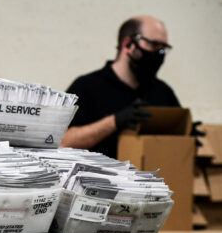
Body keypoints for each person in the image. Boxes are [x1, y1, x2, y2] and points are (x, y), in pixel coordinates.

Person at [61, 15, 180, 158]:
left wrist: (188, 135)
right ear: (128, 45)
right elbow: (62, 141)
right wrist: (115, 122)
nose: (159, 54)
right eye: (153, 45)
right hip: (97, 179)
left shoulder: (163, 92)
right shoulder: (87, 87)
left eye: (163, 48)